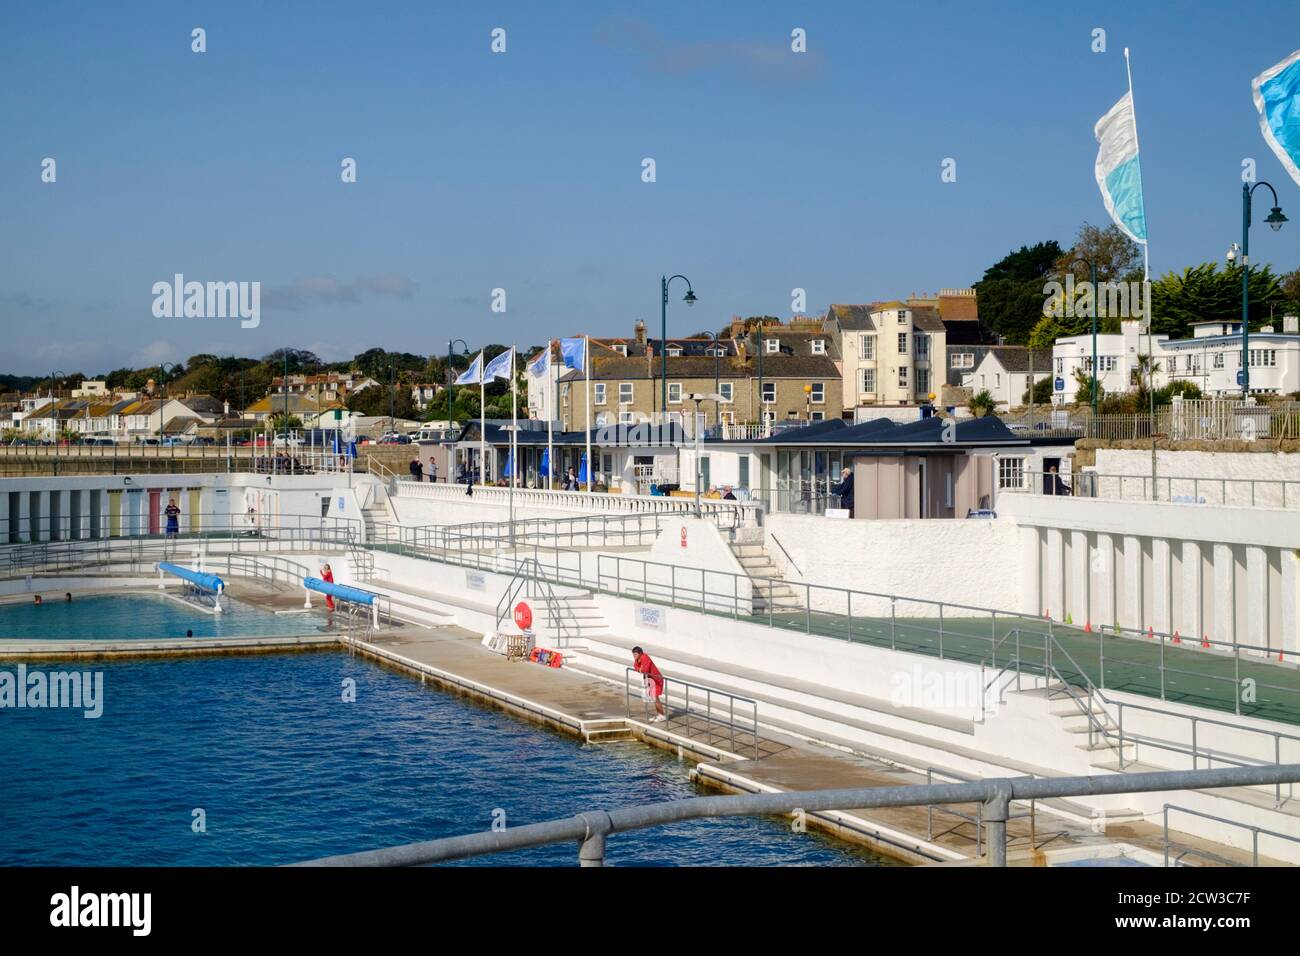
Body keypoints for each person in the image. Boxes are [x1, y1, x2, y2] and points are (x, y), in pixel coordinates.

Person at [632, 646, 666, 723]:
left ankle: (662, 715)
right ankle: (660, 714)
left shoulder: (645, 657)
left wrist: (640, 669)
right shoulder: (638, 659)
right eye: (633, 654)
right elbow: (635, 666)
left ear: (640, 653)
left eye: (635, 654)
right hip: (650, 680)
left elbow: (645, 670)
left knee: (655, 697)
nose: (634, 656)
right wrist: (640, 669)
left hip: (656, 679)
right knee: (654, 697)